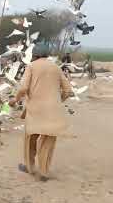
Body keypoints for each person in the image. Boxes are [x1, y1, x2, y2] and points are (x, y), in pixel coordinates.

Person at [9, 44, 74, 181]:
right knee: (48, 140)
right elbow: (68, 90)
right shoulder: (56, 67)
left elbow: (23, 88)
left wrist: (15, 100)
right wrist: (58, 101)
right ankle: (44, 172)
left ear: (34, 54)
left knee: (30, 137)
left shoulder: (31, 66)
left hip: (35, 109)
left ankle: (30, 167)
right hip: (53, 111)